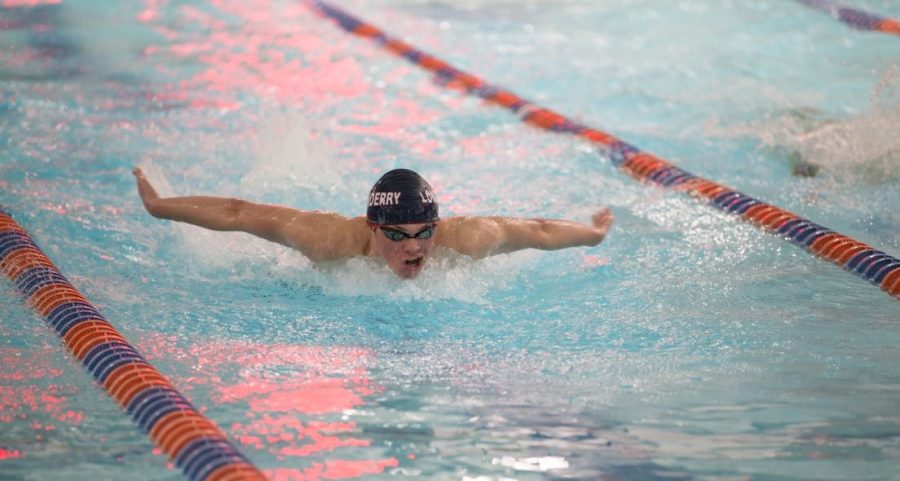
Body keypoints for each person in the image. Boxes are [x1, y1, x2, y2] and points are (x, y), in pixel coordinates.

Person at [133, 167, 613, 279]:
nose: (414, 250)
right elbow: (239, 213)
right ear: (371, 227)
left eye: (425, 233)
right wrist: (159, 206)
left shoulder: (465, 239)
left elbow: (539, 231)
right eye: (398, 237)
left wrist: (592, 233)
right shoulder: (327, 239)